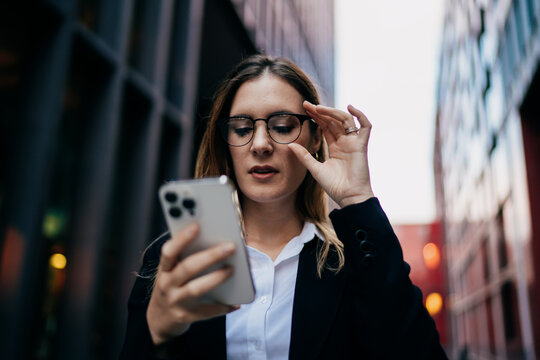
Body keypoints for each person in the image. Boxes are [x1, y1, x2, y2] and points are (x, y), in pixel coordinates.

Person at [120, 55, 448, 359]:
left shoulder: (354, 261)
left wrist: (357, 197)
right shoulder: (180, 258)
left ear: (315, 137)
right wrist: (155, 333)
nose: (260, 145)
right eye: (243, 128)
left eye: (282, 126)